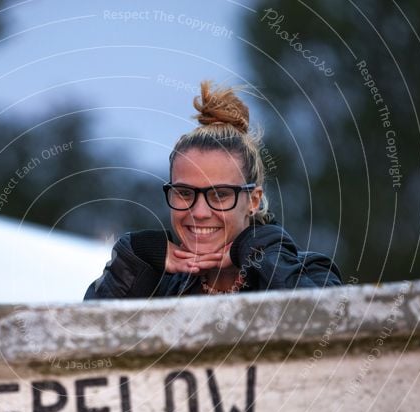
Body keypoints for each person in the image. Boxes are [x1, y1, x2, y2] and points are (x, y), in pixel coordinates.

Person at [84, 80, 342, 300]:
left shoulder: (310, 273)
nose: (199, 211)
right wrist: (134, 259)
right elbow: (84, 342)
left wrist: (259, 251)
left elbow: (330, 329)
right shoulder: (156, 285)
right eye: (185, 193)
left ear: (253, 200)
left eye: (219, 195)